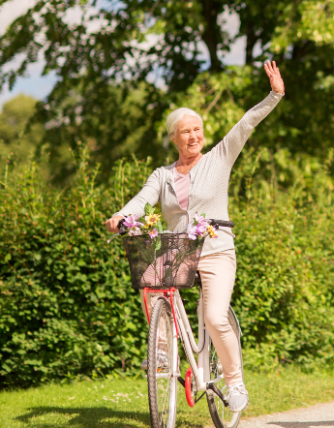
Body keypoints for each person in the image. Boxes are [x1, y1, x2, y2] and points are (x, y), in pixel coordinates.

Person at [105, 60, 285, 412]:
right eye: (185, 131)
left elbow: (246, 123)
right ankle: (163, 353)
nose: (193, 136)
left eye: (197, 130)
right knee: (151, 283)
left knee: (215, 317)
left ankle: (235, 381)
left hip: (217, 250)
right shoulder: (162, 175)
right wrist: (122, 216)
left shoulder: (219, 158)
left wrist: (274, 95)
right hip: (178, 251)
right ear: (174, 137)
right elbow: (141, 201)